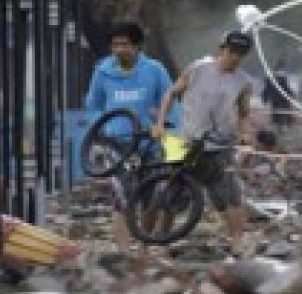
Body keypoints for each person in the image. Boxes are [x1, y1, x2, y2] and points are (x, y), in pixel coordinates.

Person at [153, 31, 255, 256]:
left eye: (240, 54)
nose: (234, 57)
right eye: (231, 51)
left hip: (220, 143)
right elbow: (171, 94)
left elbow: (244, 112)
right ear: (222, 49)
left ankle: (237, 241)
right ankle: (163, 240)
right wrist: (160, 123)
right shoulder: (198, 68)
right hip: (184, 139)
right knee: (172, 192)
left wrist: (246, 135)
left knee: (231, 193)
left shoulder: (244, 82)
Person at [84, 22, 172, 255]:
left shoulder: (154, 69)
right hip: (117, 144)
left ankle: (144, 246)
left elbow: (170, 100)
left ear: (136, 46)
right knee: (121, 198)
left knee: (151, 197)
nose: (119, 49)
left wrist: (166, 126)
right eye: (115, 45)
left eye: (124, 44)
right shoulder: (102, 71)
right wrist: (101, 127)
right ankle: (123, 252)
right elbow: (93, 104)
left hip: (149, 142)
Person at [261, 61, 294, 131]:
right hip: (283, 100)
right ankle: (282, 127)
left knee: (276, 113)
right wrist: (291, 96)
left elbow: (267, 88)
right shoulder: (283, 77)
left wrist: (264, 98)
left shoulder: (271, 76)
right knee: (283, 114)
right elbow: (287, 88)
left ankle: (278, 127)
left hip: (274, 99)